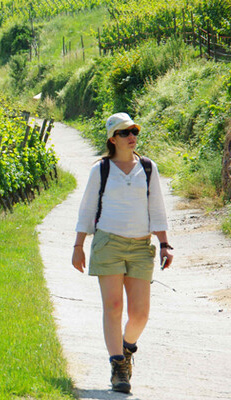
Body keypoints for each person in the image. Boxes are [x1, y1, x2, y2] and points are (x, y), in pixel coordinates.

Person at [71, 112, 174, 393]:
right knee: (114, 307)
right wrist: (78, 245)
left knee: (140, 314)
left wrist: (164, 243)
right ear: (112, 139)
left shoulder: (148, 168)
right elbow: (87, 210)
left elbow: (158, 209)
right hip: (108, 243)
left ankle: (127, 347)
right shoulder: (101, 170)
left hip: (141, 246)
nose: (132, 138)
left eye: (134, 132)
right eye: (125, 133)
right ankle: (118, 366)